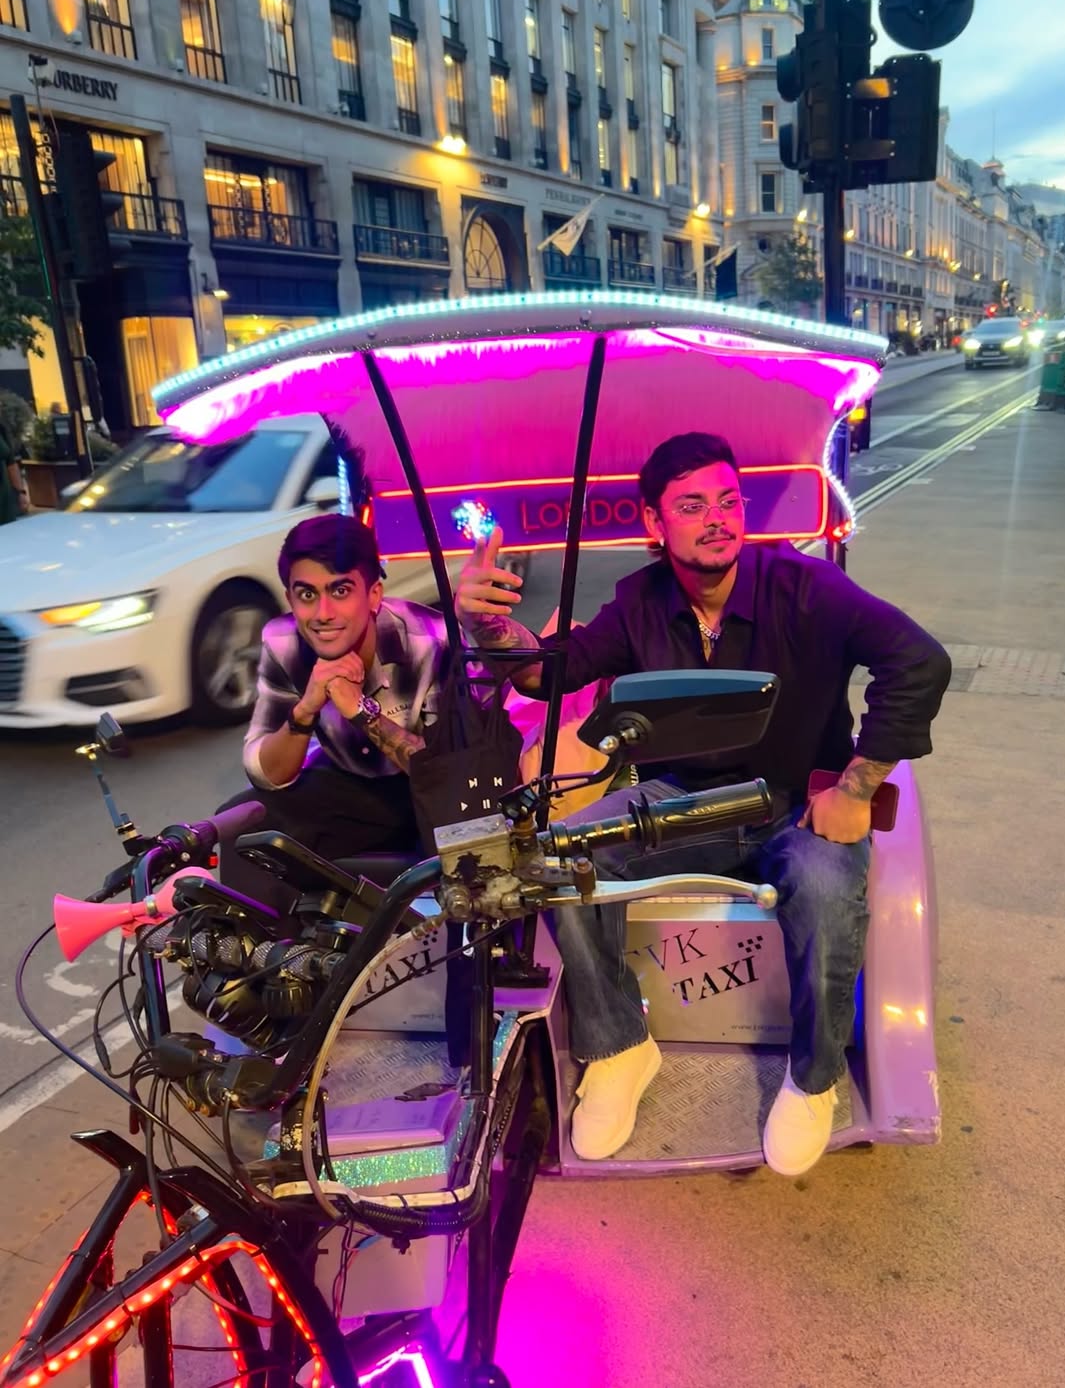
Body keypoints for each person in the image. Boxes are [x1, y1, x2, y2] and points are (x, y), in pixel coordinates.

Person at [455, 432, 951, 1177]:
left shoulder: (805, 587)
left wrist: (855, 786)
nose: (718, 518)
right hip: (681, 800)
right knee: (558, 852)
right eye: (693, 506)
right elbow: (554, 672)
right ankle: (620, 1046)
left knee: (822, 885)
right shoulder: (639, 603)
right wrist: (490, 628)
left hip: (795, 800)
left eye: (728, 501)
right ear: (655, 524)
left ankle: (813, 1078)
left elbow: (919, 660)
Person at [217, 513, 447, 906]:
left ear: (373, 594)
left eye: (340, 592)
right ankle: (277, 960)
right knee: (243, 824)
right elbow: (265, 772)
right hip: (351, 784)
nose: (322, 614)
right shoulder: (282, 640)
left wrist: (361, 712)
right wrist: (305, 710)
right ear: (290, 598)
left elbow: (446, 773)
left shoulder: (430, 642)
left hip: (430, 793)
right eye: (307, 595)